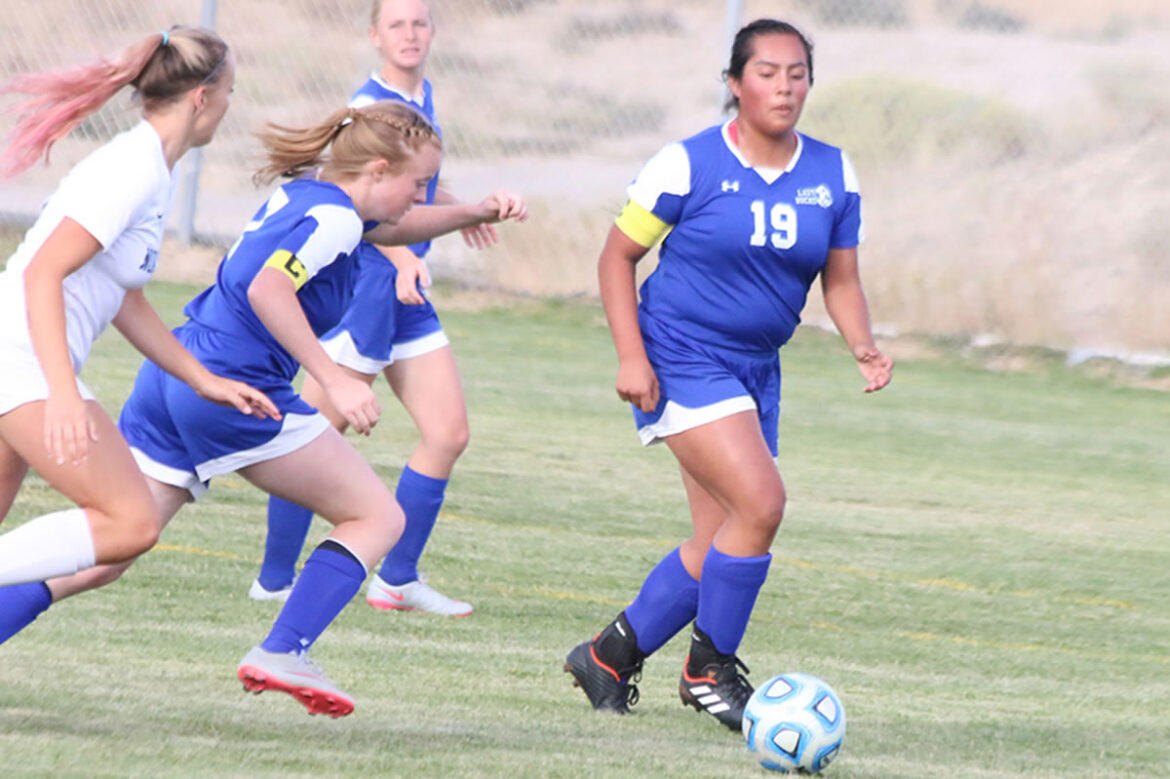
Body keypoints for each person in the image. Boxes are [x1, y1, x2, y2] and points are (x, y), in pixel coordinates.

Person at [0, 97, 524, 715]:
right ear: (378, 170)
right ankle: (282, 649)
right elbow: (268, 286)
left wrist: (471, 213)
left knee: (110, 551)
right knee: (378, 517)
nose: (421, 195)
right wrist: (335, 379)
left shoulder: (317, 198)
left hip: (176, 378)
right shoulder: (336, 221)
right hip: (235, 390)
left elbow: (390, 226)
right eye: (418, 184)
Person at [563, 19, 893, 731]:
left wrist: (862, 343)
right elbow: (615, 258)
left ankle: (608, 654)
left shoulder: (833, 172)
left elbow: (841, 279)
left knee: (721, 537)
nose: (784, 86)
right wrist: (631, 355)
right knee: (763, 503)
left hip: (754, 369)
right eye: (768, 72)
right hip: (681, 351)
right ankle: (707, 667)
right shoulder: (687, 163)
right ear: (736, 82)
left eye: (797, 73)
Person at [250, 0, 527, 617]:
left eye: (420, 21)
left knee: (448, 433)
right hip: (367, 290)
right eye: (396, 23)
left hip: (408, 297)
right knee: (313, 440)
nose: (410, 33)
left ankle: (397, 578)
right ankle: (273, 579)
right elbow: (354, 199)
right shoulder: (371, 105)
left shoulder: (421, 97)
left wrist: (463, 207)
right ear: (374, 35)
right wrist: (406, 257)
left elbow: (412, 182)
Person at [0, 26, 278, 632]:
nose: (231, 105)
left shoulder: (154, 168)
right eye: (230, 91)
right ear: (201, 97)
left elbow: (124, 297)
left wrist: (203, 379)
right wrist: (63, 394)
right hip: (19, 358)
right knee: (131, 522)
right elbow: (43, 274)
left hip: (19, 355)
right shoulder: (131, 169)